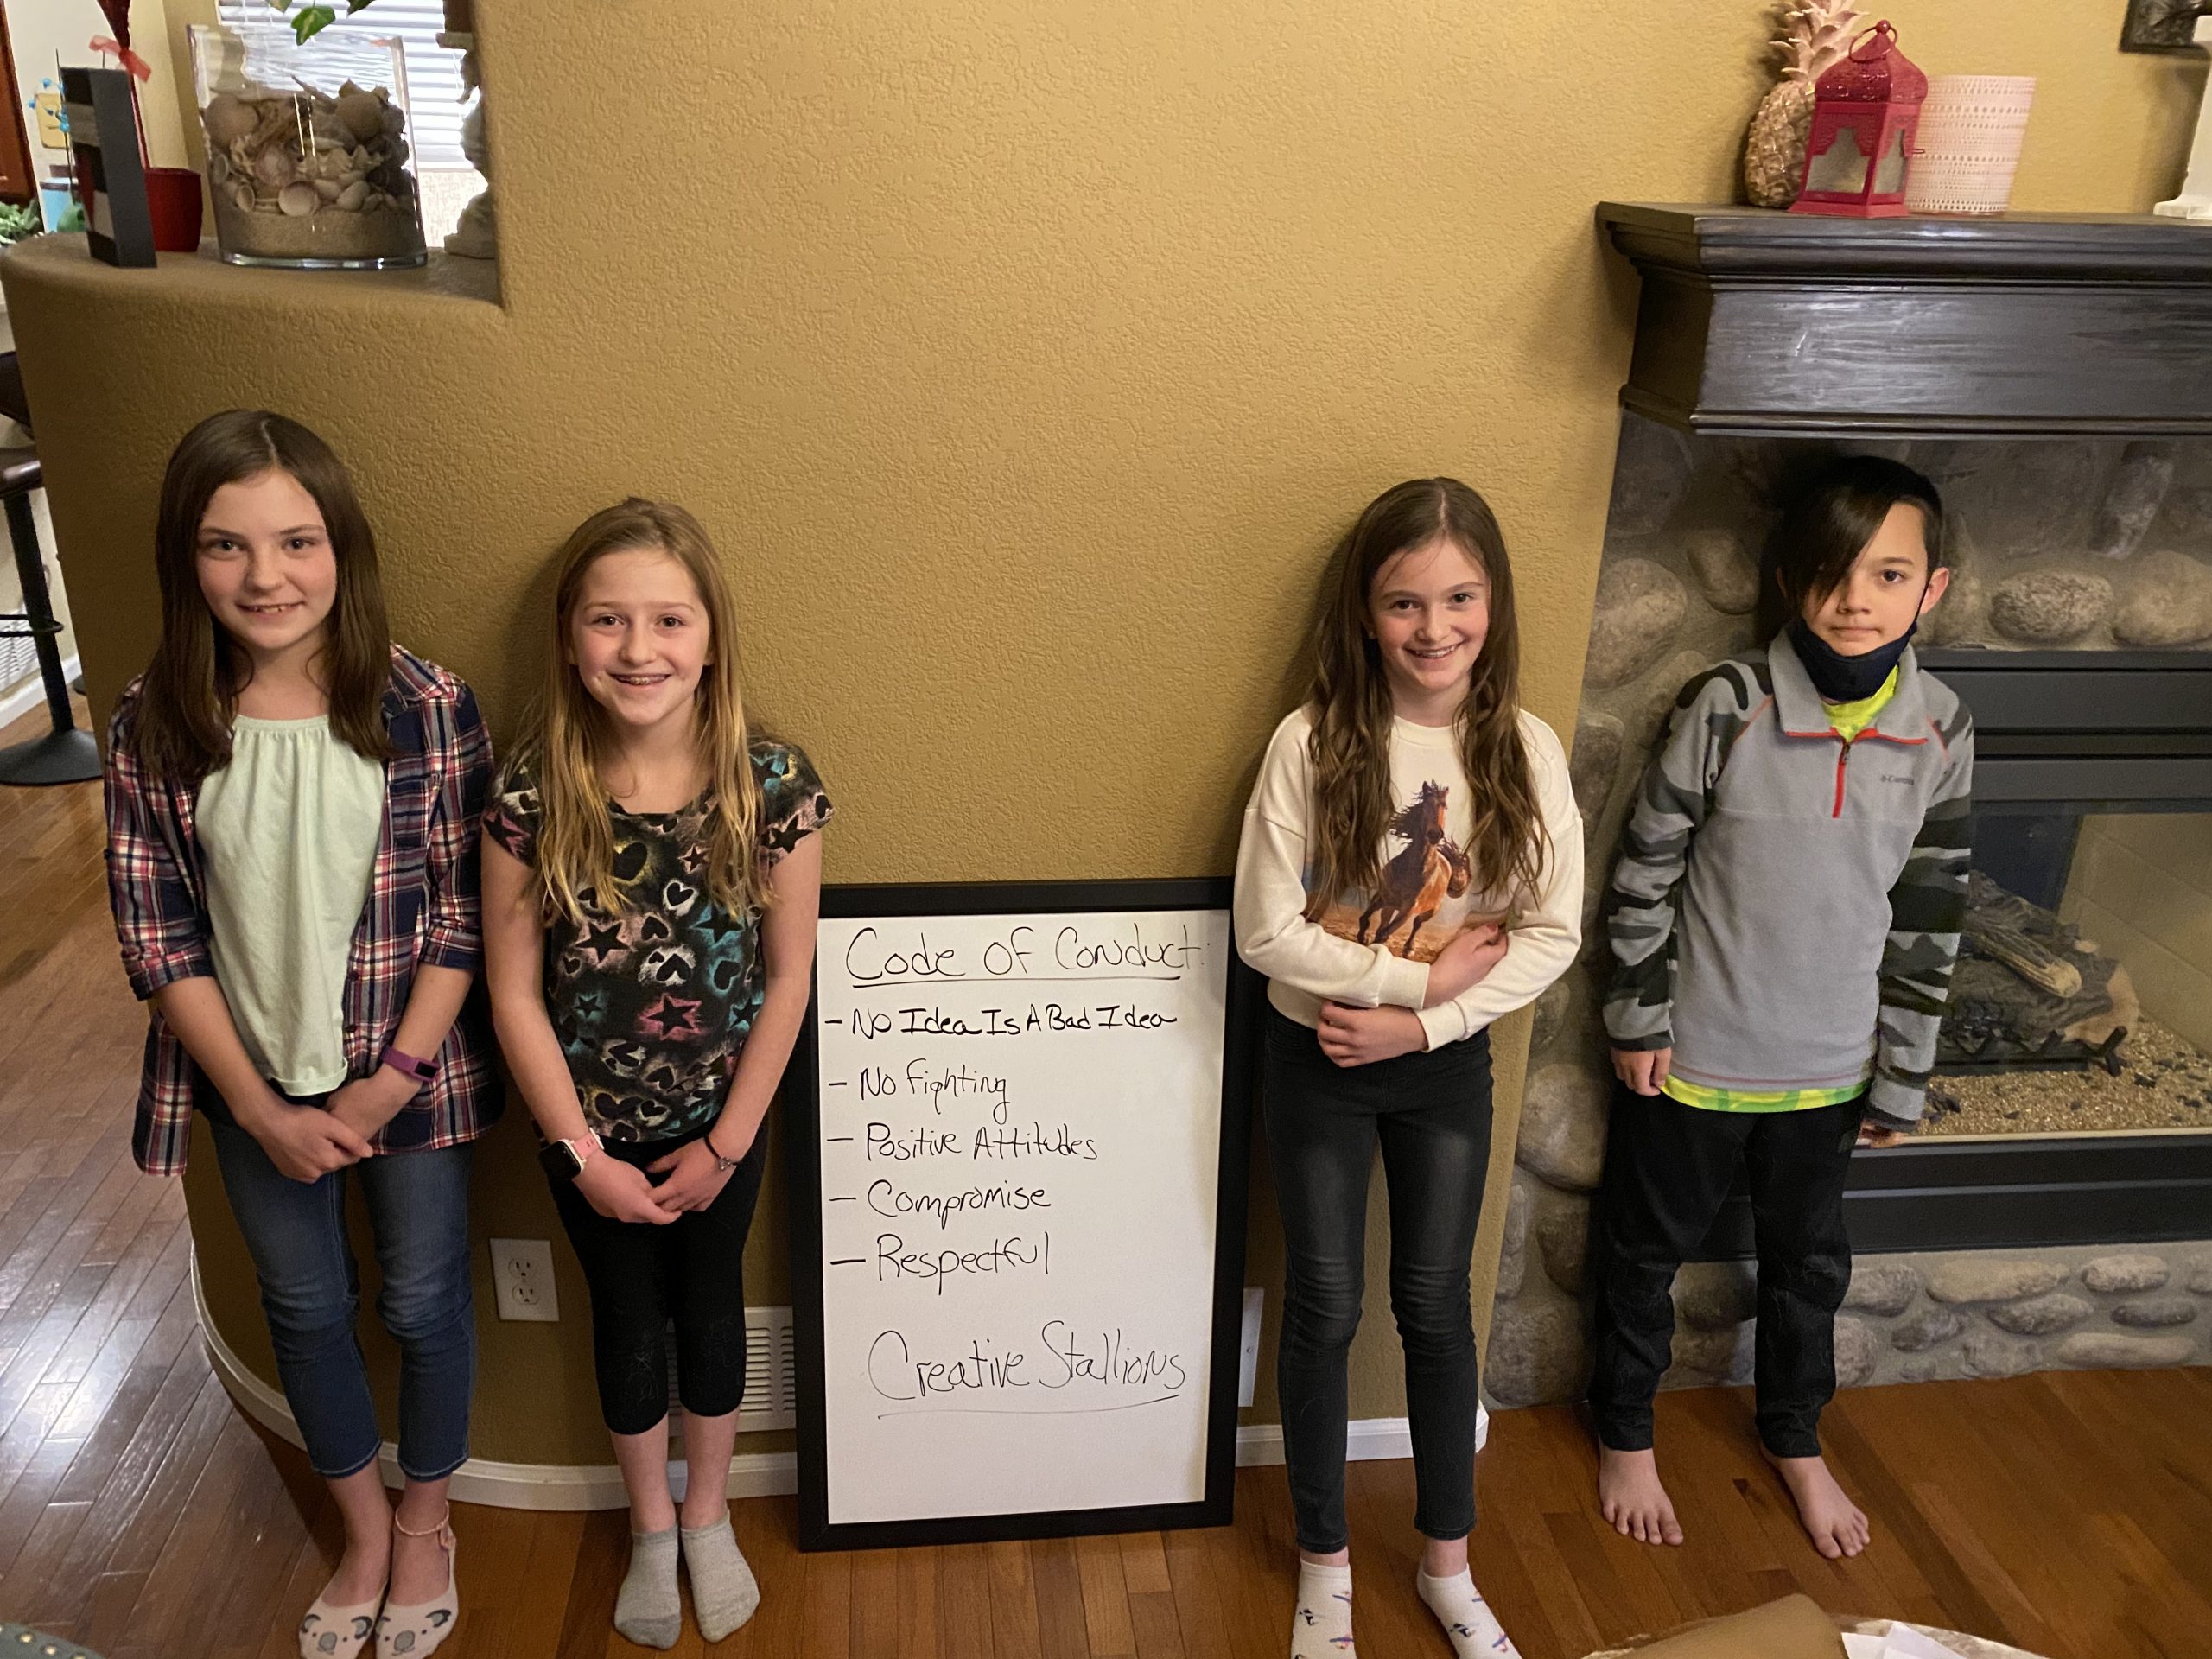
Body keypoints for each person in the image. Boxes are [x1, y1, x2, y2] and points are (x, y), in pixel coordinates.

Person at [103, 410, 495, 1659]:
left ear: (342, 549)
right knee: (306, 1305)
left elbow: (464, 915)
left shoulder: (427, 706)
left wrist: (390, 1082)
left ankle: (426, 1522)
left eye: (295, 541)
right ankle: (364, 1531)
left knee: (425, 1300)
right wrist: (260, 1108)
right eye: (227, 545)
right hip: (248, 1086)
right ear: (186, 558)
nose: (265, 576)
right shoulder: (156, 720)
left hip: (409, 1079)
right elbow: (159, 937)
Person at [1592, 454, 1973, 1560]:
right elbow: (1645, 871)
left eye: (1887, 575)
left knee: (1809, 1268)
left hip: (1831, 1070)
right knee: (1642, 1255)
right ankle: (1624, 1432)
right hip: (1693, 1062)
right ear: (1786, 579)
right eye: (1829, 572)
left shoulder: (1943, 728)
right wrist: (1636, 1018)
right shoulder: (1728, 703)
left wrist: (1902, 1070)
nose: (1854, 600)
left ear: (1931, 590)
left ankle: (1796, 1437)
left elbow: (1932, 909)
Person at [1233, 477, 1581, 1659]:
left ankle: (1448, 1567)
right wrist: (1413, 985)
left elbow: (1551, 932)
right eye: (1404, 603)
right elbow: (1264, 931)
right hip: (1318, 1059)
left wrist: (1427, 1028)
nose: (1435, 628)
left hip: (1441, 1074)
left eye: (1460, 598)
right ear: (1365, 614)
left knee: (1435, 1306)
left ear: (1494, 603)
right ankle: (1323, 1568)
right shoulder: (1312, 742)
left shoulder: (1525, 750)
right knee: (1323, 1305)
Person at [480, 499, 830, 1649]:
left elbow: (789, 978)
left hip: (724, 1126)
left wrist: (727, 1143)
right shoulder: (532, 795)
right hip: (584, 1134)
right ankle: (648, 1526)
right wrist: (583, 1156)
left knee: (712, 1310)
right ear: (569, 639)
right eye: (608, 620)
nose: (640, 649)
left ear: (711, 637)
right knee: (627, 1321)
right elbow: (514, 994)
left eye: (670, 620)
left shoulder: (773, 785)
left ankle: (708, 1515)